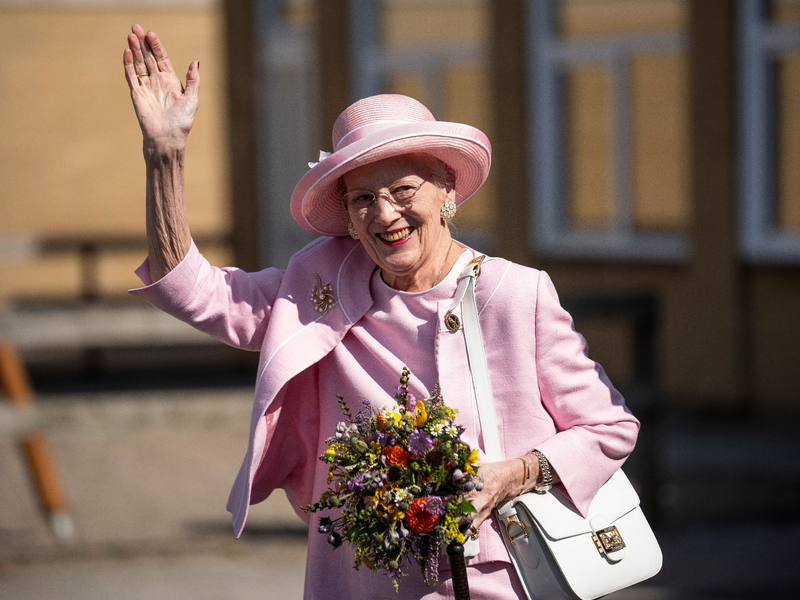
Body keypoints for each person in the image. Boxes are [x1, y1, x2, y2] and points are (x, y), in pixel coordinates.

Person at [123, 24, 639, 599]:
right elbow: (195, 293)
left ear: (448, 191)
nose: (384, 213)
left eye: (403, 190)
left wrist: (511, 476)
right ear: (346, 214)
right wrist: (164, 157)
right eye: (363, 198)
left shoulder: (515, 294)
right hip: (357, 581)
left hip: (493, 580)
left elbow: (609, 428)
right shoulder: (317, 285)